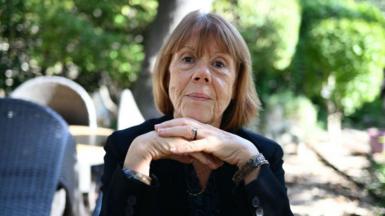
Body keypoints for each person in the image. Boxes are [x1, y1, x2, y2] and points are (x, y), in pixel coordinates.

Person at [100, 10, 293, 216]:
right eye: (188, 58)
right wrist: (139, 157)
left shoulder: (264, 155)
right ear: (167, 74)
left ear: (236, 85)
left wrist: (250, 162)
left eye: (219, 64)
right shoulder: (124, 147)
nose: (202, 74)